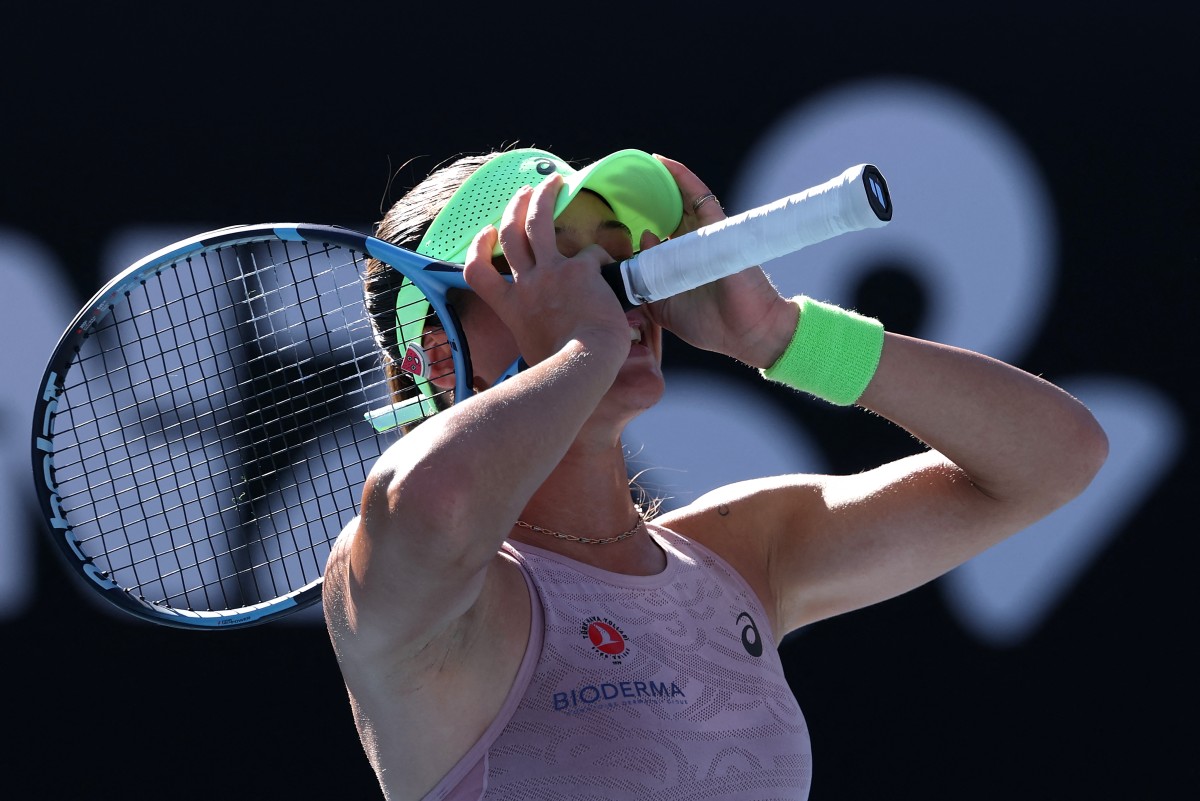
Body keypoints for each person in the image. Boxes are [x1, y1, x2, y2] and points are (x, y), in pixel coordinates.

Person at [322, 147, 1108, 800]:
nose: (614, 289)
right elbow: (433, 500)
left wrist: (782, 335)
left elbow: (1057, 458)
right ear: (432, 354)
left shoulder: (742, 553)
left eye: (616, 256)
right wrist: (582, 349)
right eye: (551, 269)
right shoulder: (399, 580)